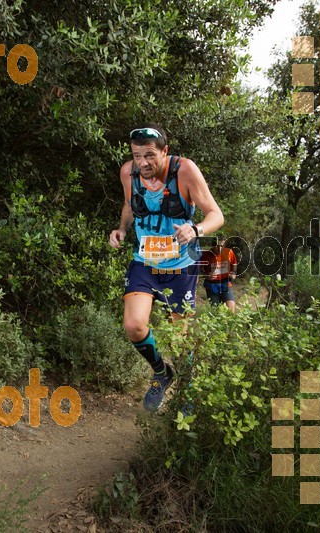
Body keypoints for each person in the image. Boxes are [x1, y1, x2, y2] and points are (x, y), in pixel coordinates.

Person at [108, 123, 224, 411]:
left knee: (181, 339)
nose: (143, 163)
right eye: (137, 156)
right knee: (134, 326)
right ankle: (162, 373)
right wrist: (121, 228)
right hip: (144, 262)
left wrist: (196, 229)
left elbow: (215, 214)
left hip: (180, 266)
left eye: (149, 155)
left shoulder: (184, 171)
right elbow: (129, 205)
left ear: (165, 151)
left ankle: (187, 388)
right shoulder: (128, 172)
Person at [201, 238, 238, 313]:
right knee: (215, 312)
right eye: (216, 246)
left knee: (231, 309)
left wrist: (233, 273)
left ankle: (230, 324)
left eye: (221, 246)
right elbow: (201, 271)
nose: (219, 248)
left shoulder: (229, 252)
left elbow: (234, 263)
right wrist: (207, 276)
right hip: (211, 286)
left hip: (225, 284)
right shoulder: (205, 255)